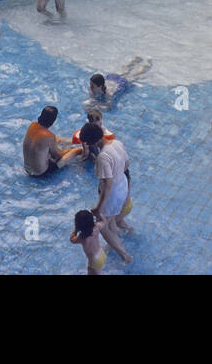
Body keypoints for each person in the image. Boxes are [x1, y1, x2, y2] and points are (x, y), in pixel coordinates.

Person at [79, 123, 133, 264]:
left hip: (112, 193)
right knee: (110, 222)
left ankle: (124, 255)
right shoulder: (116, 143)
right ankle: (115, 242)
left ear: (92, 142)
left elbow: (108, 184)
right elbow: (127, 164)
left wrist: (98, 207)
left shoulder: (103, 157)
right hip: (123, 185)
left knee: (101, 226)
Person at [24, 105, 83, 176]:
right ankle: (84, 145)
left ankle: (75, 140)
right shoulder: (49, 136)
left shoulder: (32, 125)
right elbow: (58, 157)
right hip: (40, 173)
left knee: (56, 139)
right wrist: (67, 150)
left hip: (27, 169)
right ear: (53, 121)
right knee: (76, 150)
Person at [71, 210, 108, 275]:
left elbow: (72, 239)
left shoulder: (82, 238)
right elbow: (104, 221)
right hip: (102, 254)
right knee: (91, 271)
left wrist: (76, 229)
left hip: (95, 261)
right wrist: (98, 214)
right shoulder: (97, 227)